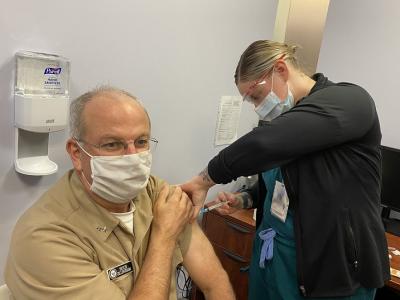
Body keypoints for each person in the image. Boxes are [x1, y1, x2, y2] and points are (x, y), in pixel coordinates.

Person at [181, 40, 390, 299]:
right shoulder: (289, 120)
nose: (257, 107)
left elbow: (262, 144)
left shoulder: (349, 101)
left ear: (280, 69)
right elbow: (282, 183)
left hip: (332, 270)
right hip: (275, 258)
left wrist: (205, 180)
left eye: (256, 96)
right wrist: (244, 198)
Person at [5, 87, 235, 300]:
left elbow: (215, 282)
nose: (132, 157)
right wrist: (164, 238)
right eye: (113, 144)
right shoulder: (45, 239)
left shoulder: (156, 193)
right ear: (76, 153)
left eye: (141, 141)